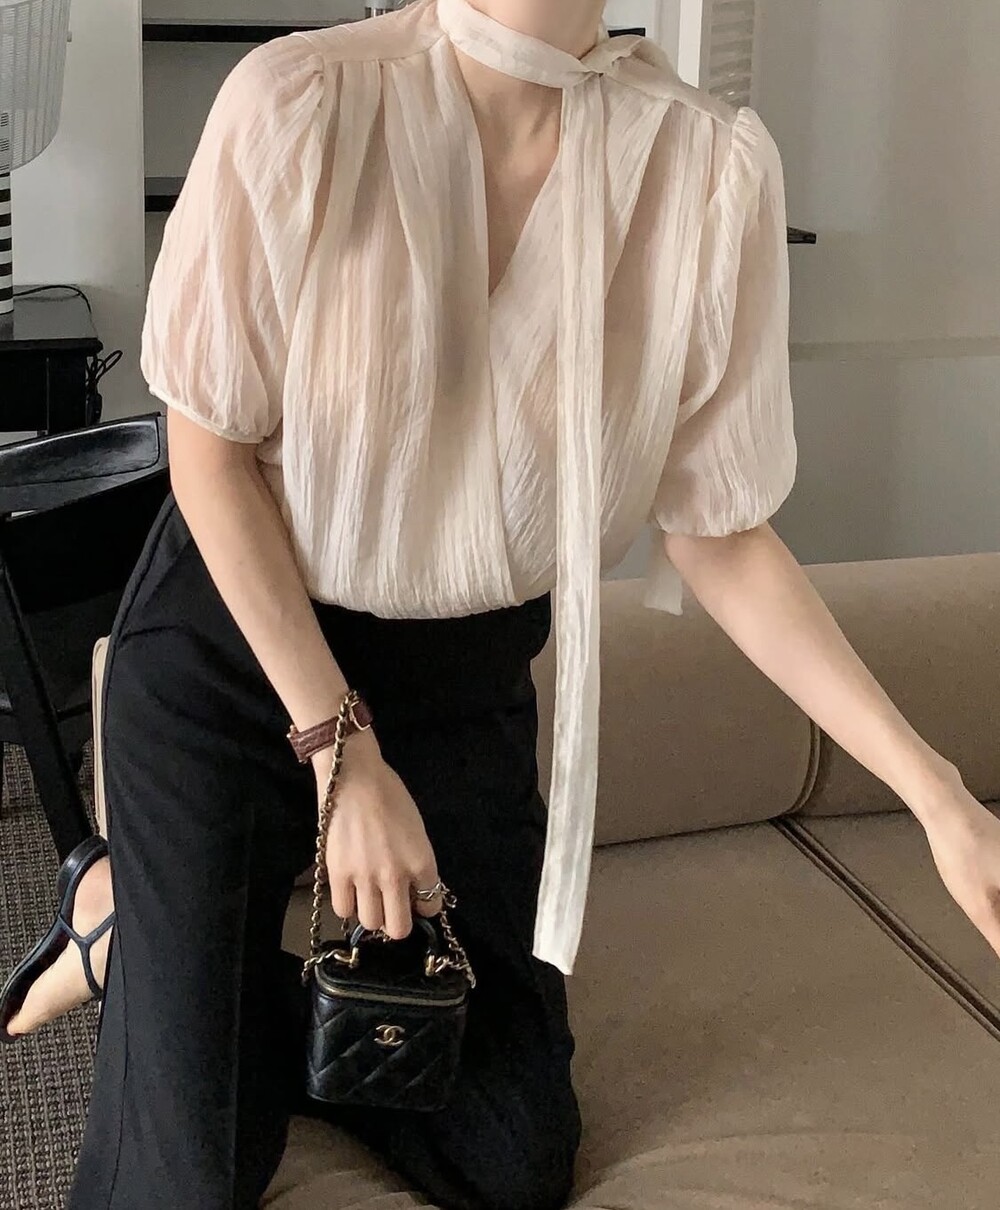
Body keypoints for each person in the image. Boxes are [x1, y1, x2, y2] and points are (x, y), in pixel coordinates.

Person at [4, 0, 1000, 1207]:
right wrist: (341, 753)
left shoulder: (704, 167)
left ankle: (152, 939)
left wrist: (938, 797)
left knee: (508, 1162)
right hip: (239, 654)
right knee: (192, 1173)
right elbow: (208, 458)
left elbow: (717, 532)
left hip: (461, 688)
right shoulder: (301, 101)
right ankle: (144, 930)